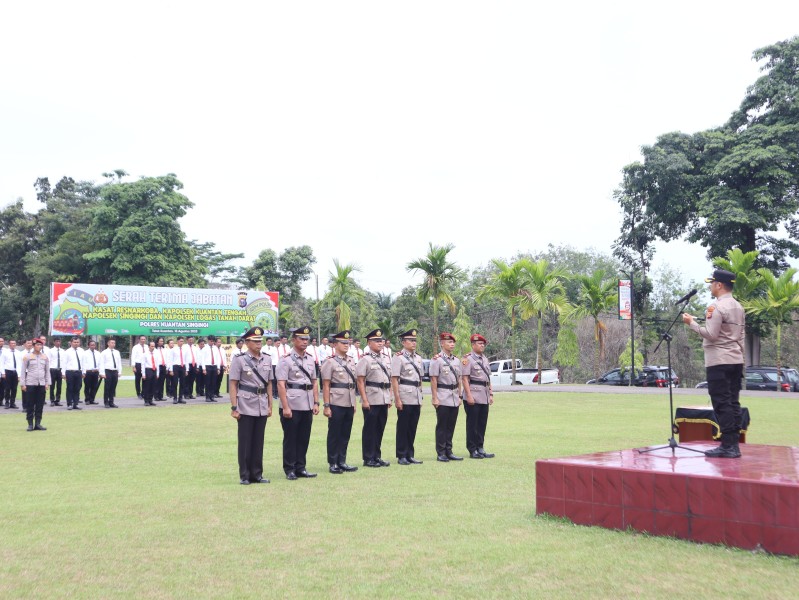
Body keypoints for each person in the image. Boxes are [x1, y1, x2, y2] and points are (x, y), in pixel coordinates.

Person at [683, 268, 746, 458]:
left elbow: (711, 334)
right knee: (733, 402)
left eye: (712, 283)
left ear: (719, 285)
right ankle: (733, 443)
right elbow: (740, 335)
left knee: (721, 403)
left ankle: (728, 445)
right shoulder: (739, 307)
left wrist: (691, 324)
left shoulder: (715, 307)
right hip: (736, 360)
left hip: (718, 360)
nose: (710, 286)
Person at [229, 326, 273, 485]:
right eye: (255, 341)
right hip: (246, 404)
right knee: (245, 441)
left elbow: (269, 383)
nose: (258, 343)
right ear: (247, 342)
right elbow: (233, 384)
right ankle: (245, 475)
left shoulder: (267, 359)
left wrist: (270, 405)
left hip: (261, 404)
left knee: (258, 441)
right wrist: (234, 407)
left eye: (260, 341)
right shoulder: (239, 360)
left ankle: (257, 474)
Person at [277, 325, 319, 480]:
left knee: (303, 437)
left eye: (306, 339)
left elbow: (314, 382)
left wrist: (316, 403)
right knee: (291, 438)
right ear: (293, 340)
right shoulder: (285, 360)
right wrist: (285, 407)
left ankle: (301, 467)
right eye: (301, 338)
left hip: (307, 404)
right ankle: (289, 469)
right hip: (292, 405)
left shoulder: (310, 359)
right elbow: (281, 384)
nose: (304, 341)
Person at [321, 330, 359, 474]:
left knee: (345, 433)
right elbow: (326, 385)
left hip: (349, 401)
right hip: (336, 401)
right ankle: (332, 462)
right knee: (334, 433)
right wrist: (326, 405)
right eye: (343, 343)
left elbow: (352, 384)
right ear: (335, 344)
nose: (346, 345)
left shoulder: (350, 360)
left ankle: (342, 461)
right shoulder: (330, 362)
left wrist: (354, 403)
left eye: (347, 342)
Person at [356, 329, 393, 467]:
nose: (380, 343)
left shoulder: (386, 358)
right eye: (376, 341)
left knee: (380, 428)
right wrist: (364, 400)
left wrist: (389, 397)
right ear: (369, 343)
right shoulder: (365, 359)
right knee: (370, 429)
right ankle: (368, 458)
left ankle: (377, 456)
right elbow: (360, 381)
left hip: (383, 397)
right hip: (371, 398)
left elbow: (389, 379)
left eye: (381, 340)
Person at [391, 329, 424, 465]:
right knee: (403, 426)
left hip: (416, 395)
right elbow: (394, 379)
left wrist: (421, 396)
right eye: (410, 340)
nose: (413, 343)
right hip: (405, 395)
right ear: (404, 342)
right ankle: (401, 455)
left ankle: (410, 454)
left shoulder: (418, 358)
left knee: (412, 426)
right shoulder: (398, 357)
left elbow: (420, 379)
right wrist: (397, 399)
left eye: (415, 340)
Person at [430, 332, 463, 462]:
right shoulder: (436, 360)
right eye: (449, 342)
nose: (452, 344)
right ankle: (441, 452)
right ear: (442, 343)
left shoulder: (456, 360)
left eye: (453, 342)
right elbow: (433, 380)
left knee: (451, 426)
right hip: (442, 395)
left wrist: (460, 395)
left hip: (454, 396)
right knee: (442, 426)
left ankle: (449, 451)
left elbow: (459, 379)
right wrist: (434, 397)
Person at [461, 334, 494, 459]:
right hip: (473, 394)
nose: (482, 346)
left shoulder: (485, 359)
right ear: (473, 345)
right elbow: (464, 378)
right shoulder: (467, 359)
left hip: (484, 394)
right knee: (472, 424)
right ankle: (472, 449)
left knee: (482, 423)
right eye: (479, 344)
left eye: (483, 344)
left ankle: (480, 447)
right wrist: (468, 395)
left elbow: (488, 378)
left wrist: (491, 393)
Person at [21, 339, 51, 431]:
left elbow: (47, 371)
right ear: (33, 346)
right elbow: (23, 371)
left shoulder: (45, 357)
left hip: (41, 384)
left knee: (40, 405)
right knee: (30, 404)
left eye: (40, 345)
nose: (39, 347)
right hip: (30, 383)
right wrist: (23, 384)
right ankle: (30, 424)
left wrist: (47, 383)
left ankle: (38, 423)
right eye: (37, 345)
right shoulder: (27, 357)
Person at [63, 336, 85, 410]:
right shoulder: (67, 352)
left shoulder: (82, 351)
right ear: (71, 343)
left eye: (77, 342)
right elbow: (64, 363)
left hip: (79, 372)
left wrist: (84, 372)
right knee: (70, 388)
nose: (76, 343)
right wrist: (63, 373)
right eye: (74, 342)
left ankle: (76, 403)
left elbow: (83, 362)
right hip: (70, 372)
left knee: (77, 388)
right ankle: (69, 404)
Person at [99, 338, 122, 407]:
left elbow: (119, 362)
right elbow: (101, 363)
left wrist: (119, 371)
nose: (113, 344)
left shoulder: (117, 352)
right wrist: (102, 373)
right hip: (107, 370)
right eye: (111, 343)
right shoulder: (104, 352)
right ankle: (106, 402)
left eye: (114, 343)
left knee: (113, 387)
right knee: (107, 387)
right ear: (108, 343)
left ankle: (111, 402)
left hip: (115, 371)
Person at [201, 335, 223, 402]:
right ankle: (207, 397)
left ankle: (212, 396)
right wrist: (204, 368)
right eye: (211, 341)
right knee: (208, 382)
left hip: (214, 366)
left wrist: (218, 368)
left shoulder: (215, 348)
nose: (212, 342)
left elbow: (218, 358)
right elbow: (202, 359)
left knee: (213, 382)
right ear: (208, 340)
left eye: (213, 341)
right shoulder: (205, 348)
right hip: (208, 366)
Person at [2, 339, 23, 409]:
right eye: (12, 343)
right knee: (7, 388)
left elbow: (20, 364)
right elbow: (2, 363)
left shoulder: (18, 352)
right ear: (9, 344)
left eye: (14, 343)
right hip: (7, 371)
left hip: (15, 372)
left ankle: (12, 403)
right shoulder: (5, 352)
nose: (13, 345)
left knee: (14, 388)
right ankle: (7, 402)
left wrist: (19, 375)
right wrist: (3, 373)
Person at [169, 336, 188, 404]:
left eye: (182, 341)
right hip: (175, 366)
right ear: (177, 342)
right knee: (175, 383)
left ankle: (180, 398)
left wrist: (186, 370)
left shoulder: (185, 350)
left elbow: (186, 360)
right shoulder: (173, 350)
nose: (181, 342)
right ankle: (175, 398)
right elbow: (170, 360)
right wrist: (170, 370)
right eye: (180, 341)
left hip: (182, 366)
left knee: (182, 383)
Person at [82, 340, 102, 404]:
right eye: (91, 345)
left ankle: (92, 399)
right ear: (88, 346)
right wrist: (84, 372)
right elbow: (83, 363)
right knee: (87, 386)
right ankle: (87, 399)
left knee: (94, 386)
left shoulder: (98, 353)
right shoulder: (85, 353)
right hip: (88, 372)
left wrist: (100, 371)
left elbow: (100, 363)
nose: (93, 346)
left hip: (96, 372)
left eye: (94, 345)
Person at [47, 337, 64, 406]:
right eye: (56, 341)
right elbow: (48, 361)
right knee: (52, 386)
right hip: (52, 370)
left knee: (59, 386)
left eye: (59, 341)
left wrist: (63, 371)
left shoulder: (63, 351)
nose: (58, 343)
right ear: (54, 342)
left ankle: (57, 400)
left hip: (60, 370)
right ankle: (52, 400)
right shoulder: (50, 351)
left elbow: (63, 361)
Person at [141, 341, 158, 406]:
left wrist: (157, 373)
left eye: (154, 346)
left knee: (153, 386)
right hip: (148, 370)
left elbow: (157, 363)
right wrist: (143, 374)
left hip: (154, 370)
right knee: (147, 386)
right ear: (148, 346)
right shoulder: (145, 354)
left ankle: (151, 400)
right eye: (152, 346)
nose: (153, 347)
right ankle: (146, 400)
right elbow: (143, 364)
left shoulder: (156, 354)